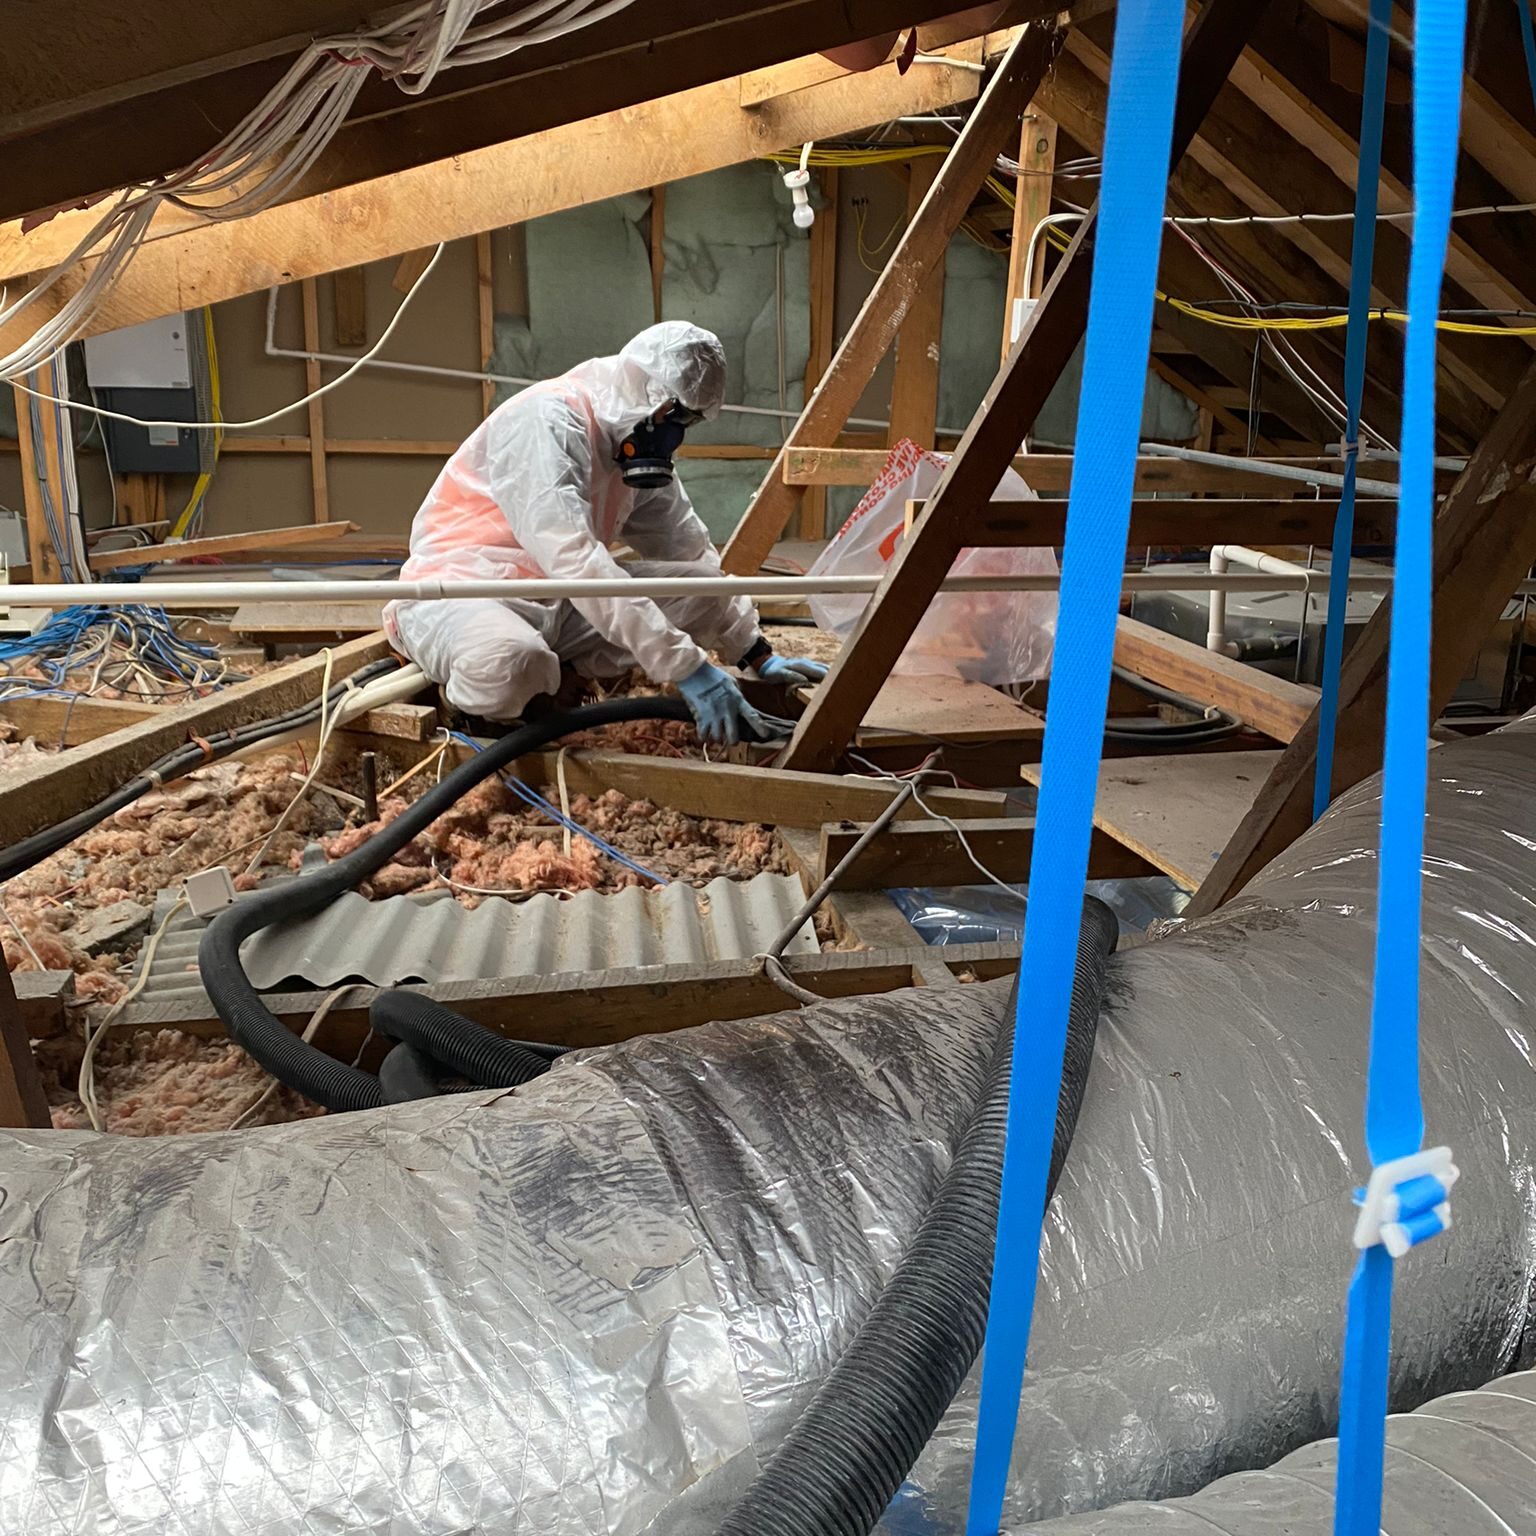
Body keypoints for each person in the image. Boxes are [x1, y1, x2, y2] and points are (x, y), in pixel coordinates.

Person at [385, 322, 828, 745]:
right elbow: (574, 560)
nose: (674, 437)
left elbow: (690, 555)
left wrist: (754, 652)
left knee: (703, 588)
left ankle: (554, 671)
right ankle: (471, 708)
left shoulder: (626, 451)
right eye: (674, 416)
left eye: (688, 423)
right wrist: (687, 667)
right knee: (511, 662)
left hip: (556, 600)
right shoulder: (547, 421)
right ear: (643, 391)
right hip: (466, 593)